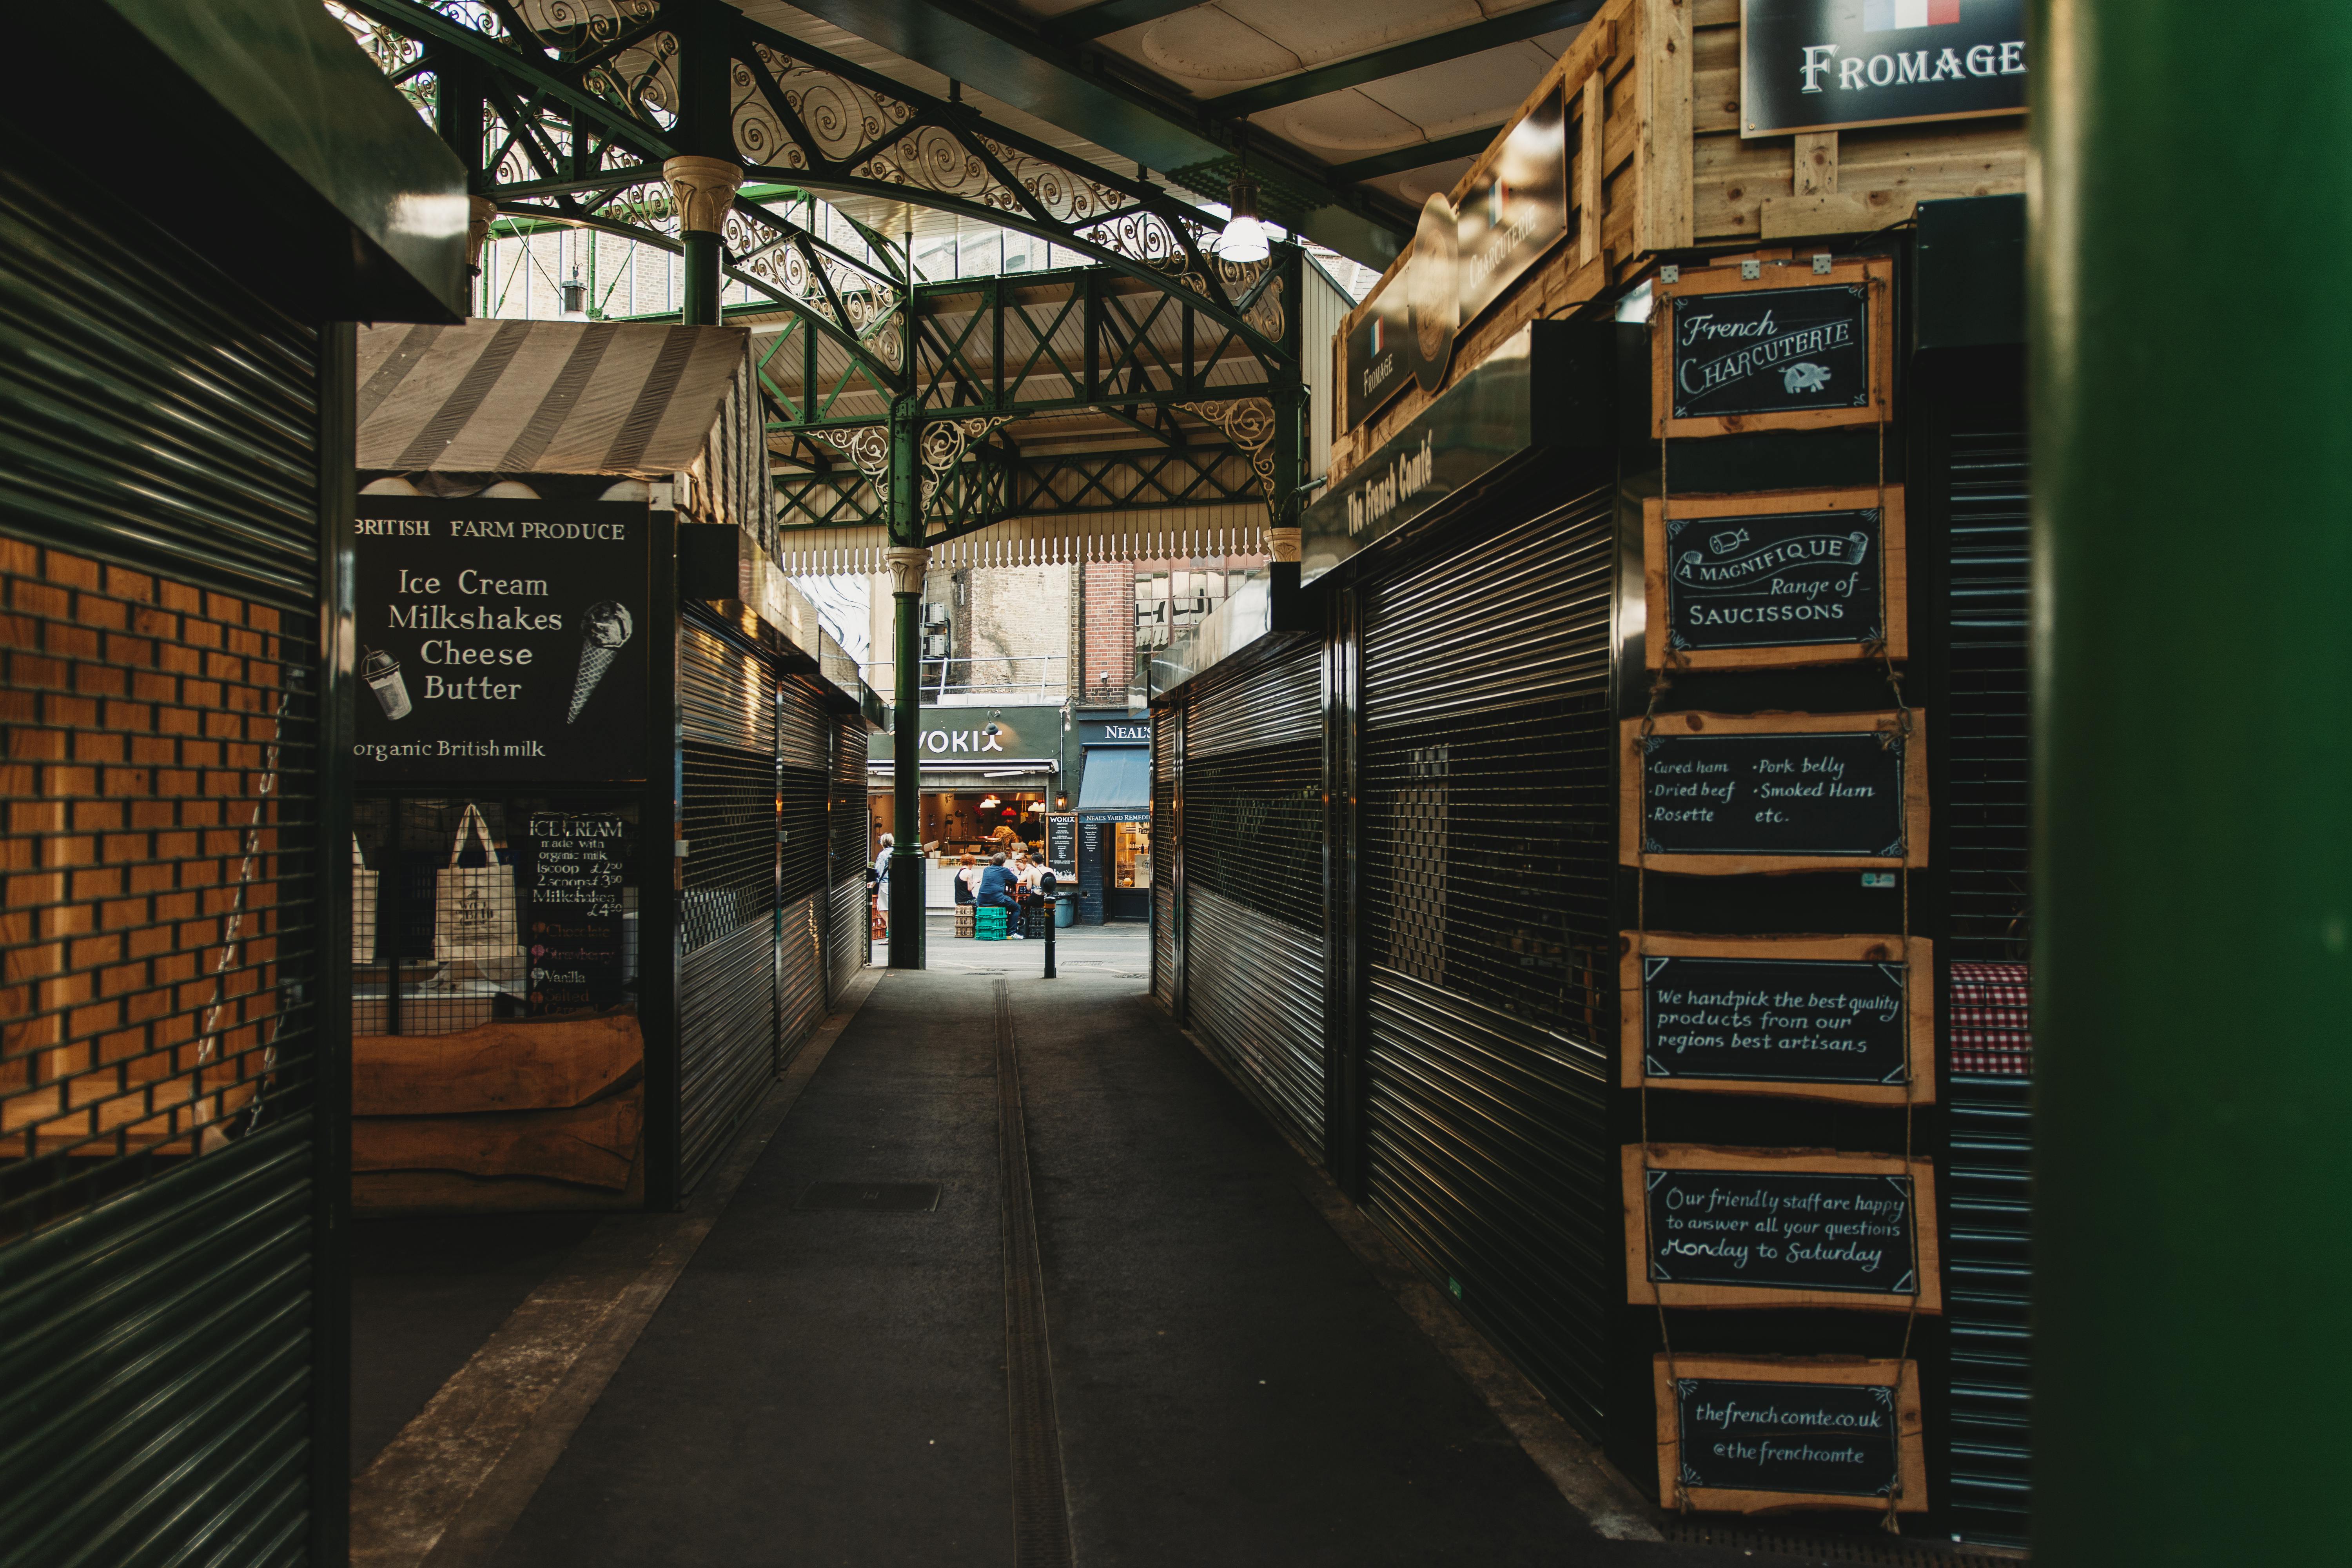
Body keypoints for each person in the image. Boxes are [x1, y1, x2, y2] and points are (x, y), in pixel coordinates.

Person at [975, 851, 1023, 938]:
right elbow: (1015, 880)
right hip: (997, 899)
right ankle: (1011, 933)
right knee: (1017, 908)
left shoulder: (986, 870)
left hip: (981, 900)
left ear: (992, 861)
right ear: (1003, 863)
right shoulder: (1004, 870)